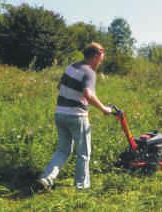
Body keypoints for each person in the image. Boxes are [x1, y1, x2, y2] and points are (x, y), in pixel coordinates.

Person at [38, 42, 111, 189]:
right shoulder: (89, 72)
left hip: (60, 113)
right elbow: (87, 94)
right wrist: (104, 108)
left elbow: (60, 86)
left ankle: (47, 178)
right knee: (83, 152)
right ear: (96, 56)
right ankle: (81, 187)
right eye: (102, 56)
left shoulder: (71, 67)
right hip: (77, 116)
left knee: (63, 149)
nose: (102, 60)